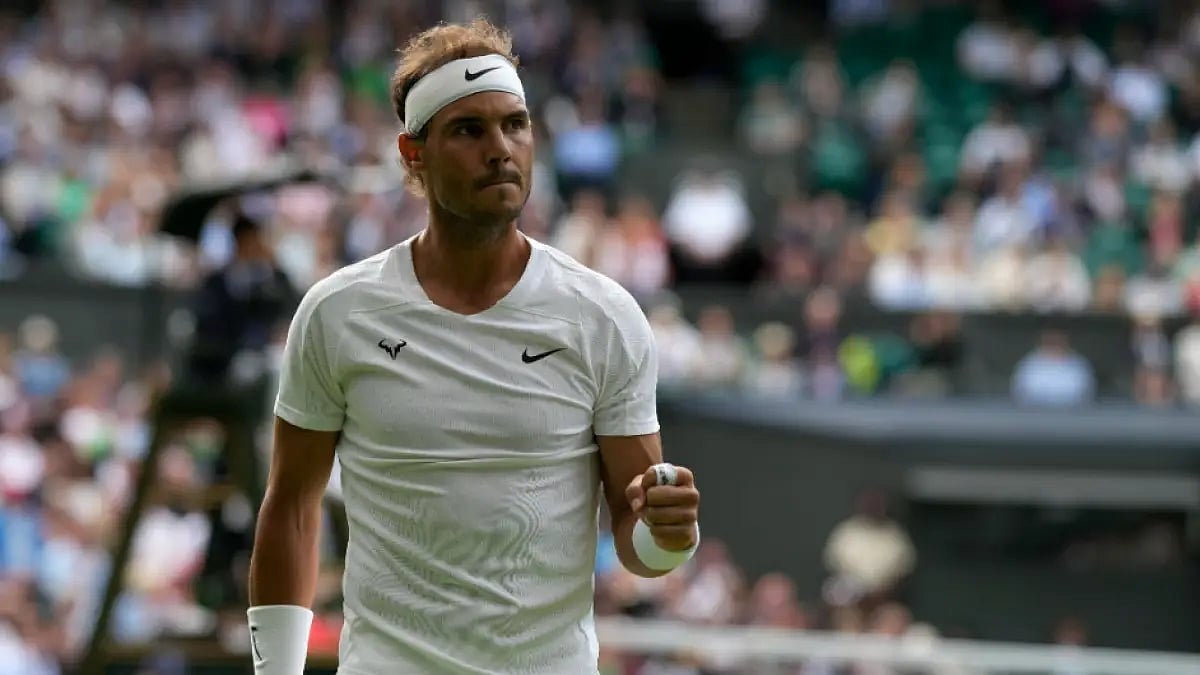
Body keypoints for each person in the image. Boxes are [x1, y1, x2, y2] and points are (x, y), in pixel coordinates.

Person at [246, 19, 703, 675]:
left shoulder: (604, 317)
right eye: (468, 130)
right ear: (413, 154)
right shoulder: (336, 312)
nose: (501, 149)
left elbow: (638, 543)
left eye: (514, 124)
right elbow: (291, 505)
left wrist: (669, 535)